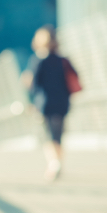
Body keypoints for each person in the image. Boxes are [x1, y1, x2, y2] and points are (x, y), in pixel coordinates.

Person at [28, 24, 79, 181]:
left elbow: (34, 84)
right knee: (59, 134)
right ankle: (58, 162)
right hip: (63, 102)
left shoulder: (38, 60)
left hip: (45, 103)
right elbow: (75, 78)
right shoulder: (64, 60)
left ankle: (54, 163)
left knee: (48, 135)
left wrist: (32, 102)